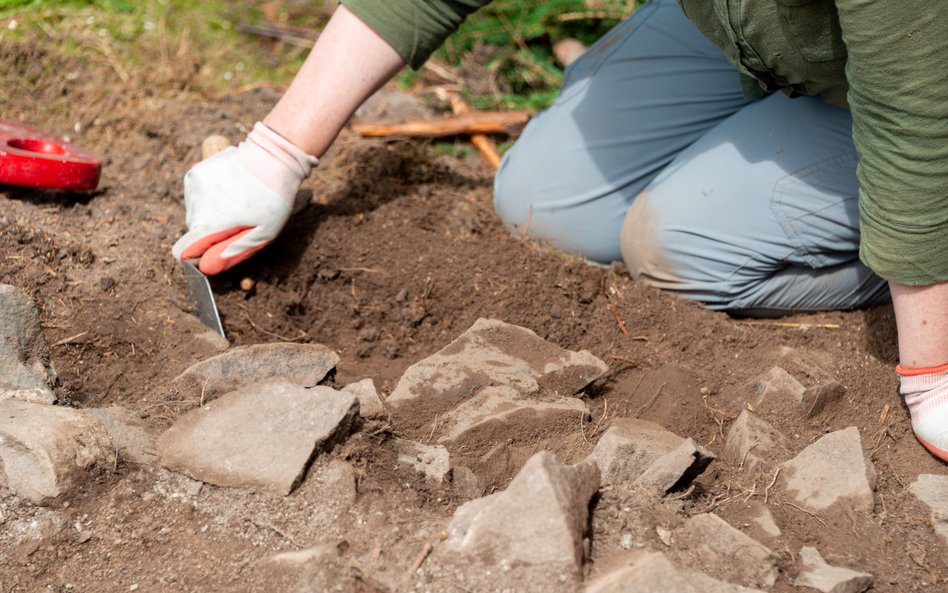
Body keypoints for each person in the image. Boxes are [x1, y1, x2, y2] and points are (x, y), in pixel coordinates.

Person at [172, 0, 947, 461]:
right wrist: (274, 153)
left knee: (675, 245)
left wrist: (932, 375)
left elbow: (915, 117)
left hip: (922, 79)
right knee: (544, 202)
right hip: (761, 23)